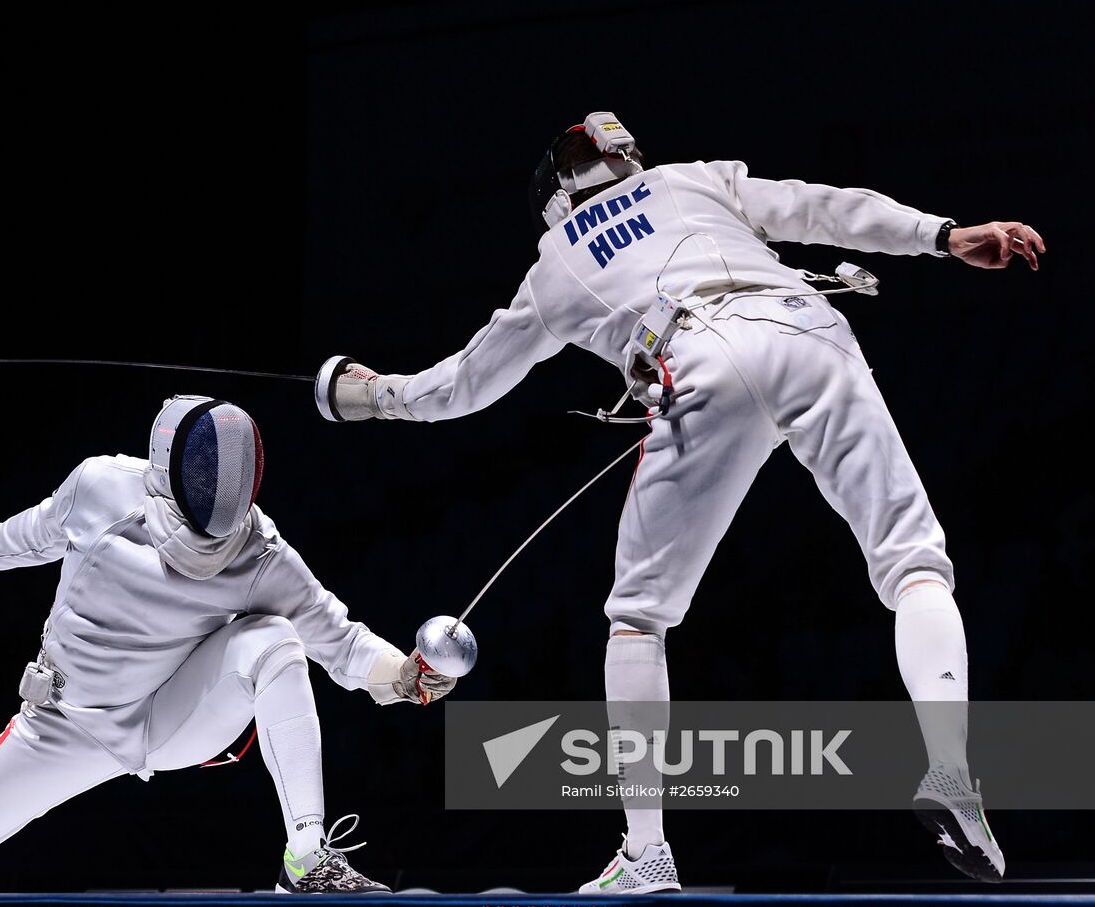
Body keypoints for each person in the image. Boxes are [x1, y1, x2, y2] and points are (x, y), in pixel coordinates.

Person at [318, 112, 1043, 891]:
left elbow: (460, 388)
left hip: (702, 359)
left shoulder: (557, 262)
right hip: (812, 329)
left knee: (639, 618)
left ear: (557, 197)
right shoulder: (693, 178)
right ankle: (951, 770)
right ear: (624, 161)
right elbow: (821, 206)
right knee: (914, 566)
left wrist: (365, 396)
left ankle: (648, 853)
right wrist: (944, 234)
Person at [0, 395, 454, 896]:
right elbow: (33, 535)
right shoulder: (101, 489)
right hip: (62, 723)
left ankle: (307, 855)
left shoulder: (263, 555)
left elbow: (342, 643)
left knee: (274, 643)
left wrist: (407, 674)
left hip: (165, 720)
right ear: (165, 478)